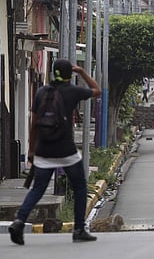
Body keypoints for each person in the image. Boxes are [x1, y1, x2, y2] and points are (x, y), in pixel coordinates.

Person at [9, 58, 101, 245]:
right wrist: (82, 72)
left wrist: (32, 149)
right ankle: (79, 229)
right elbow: (97, 90)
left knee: (37, 189)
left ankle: (19, 222)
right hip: (67, 151)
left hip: (44, 150)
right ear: (69, 74)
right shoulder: (73, 91)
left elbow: (34, 124)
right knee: (80, 187)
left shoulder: (42, 92)